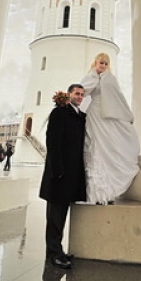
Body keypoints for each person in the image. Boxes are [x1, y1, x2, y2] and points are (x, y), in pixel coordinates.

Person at [81, 53, 140, 205]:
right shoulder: (89, 77)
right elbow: (81, 92)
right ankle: (96, 194)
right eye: (101, 63)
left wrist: (127, 115)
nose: (103, 66)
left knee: (109, 148)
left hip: (107, 117)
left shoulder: (111, 79)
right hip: (94, 115)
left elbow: (118, 98)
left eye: (106, 63)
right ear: (95, 63)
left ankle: (109, 191)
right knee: (95, 148)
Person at [39, 84, 86, 269]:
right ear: (69, 95)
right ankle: (53, 254)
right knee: (54, 217)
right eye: (76, 93)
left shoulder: (80, 116)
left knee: (62, 215)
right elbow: (53, 142)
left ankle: (58, 250)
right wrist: (57, 170)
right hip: (58, 175)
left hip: (71, 176)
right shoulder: (60, 113)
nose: (79, 97)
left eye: (82, 94)